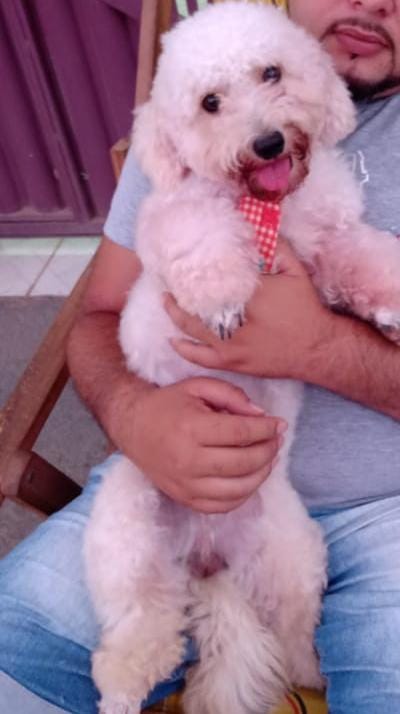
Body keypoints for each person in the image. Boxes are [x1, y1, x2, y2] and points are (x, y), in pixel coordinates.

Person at [1, 0, 400, 711]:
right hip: (164, 488)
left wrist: (319, 348)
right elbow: (98, 315)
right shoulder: (184, 116)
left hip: (386, 518)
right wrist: (133, 413)